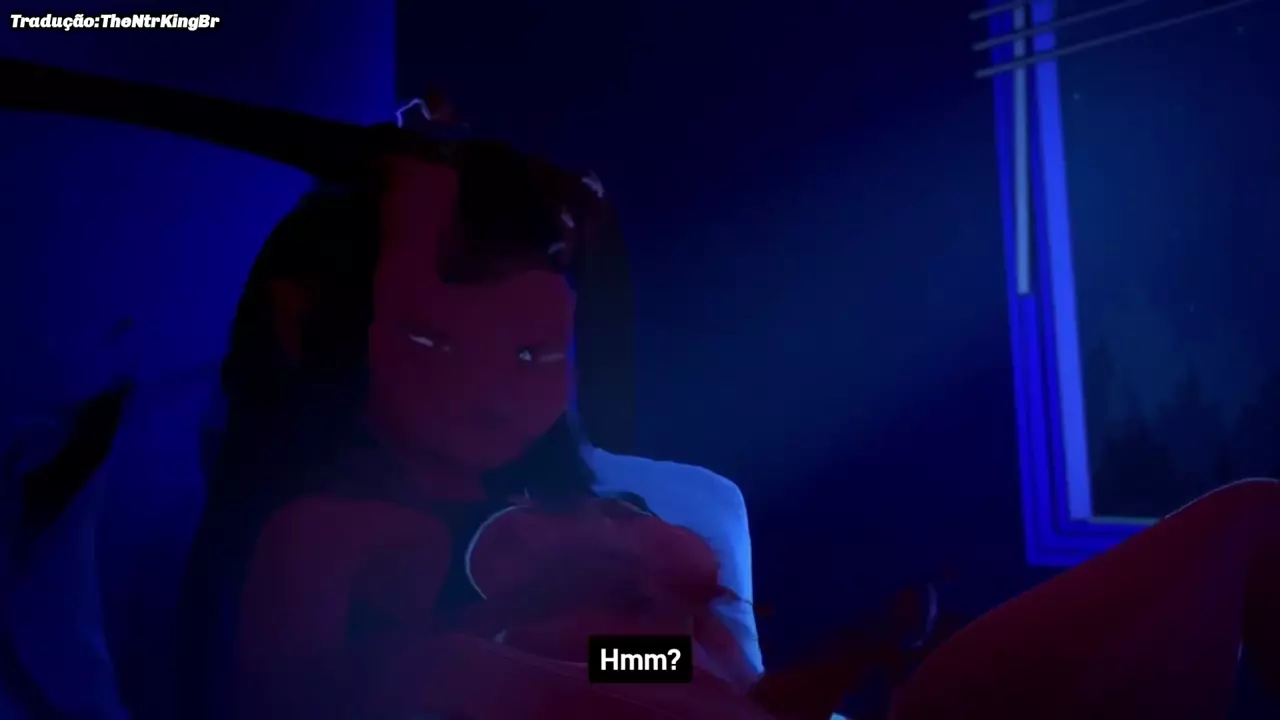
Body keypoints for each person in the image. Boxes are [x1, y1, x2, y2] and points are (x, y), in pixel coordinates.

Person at [3, 57, 1277, 720]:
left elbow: (689, 683)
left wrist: (719, 649)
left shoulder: (549, 546)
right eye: (449, 345)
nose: (512, 397)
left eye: (538, 359)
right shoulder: (330, 537)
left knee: (1243, 522)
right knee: (1241, 528)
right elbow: (372, 681)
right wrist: (540, 663)